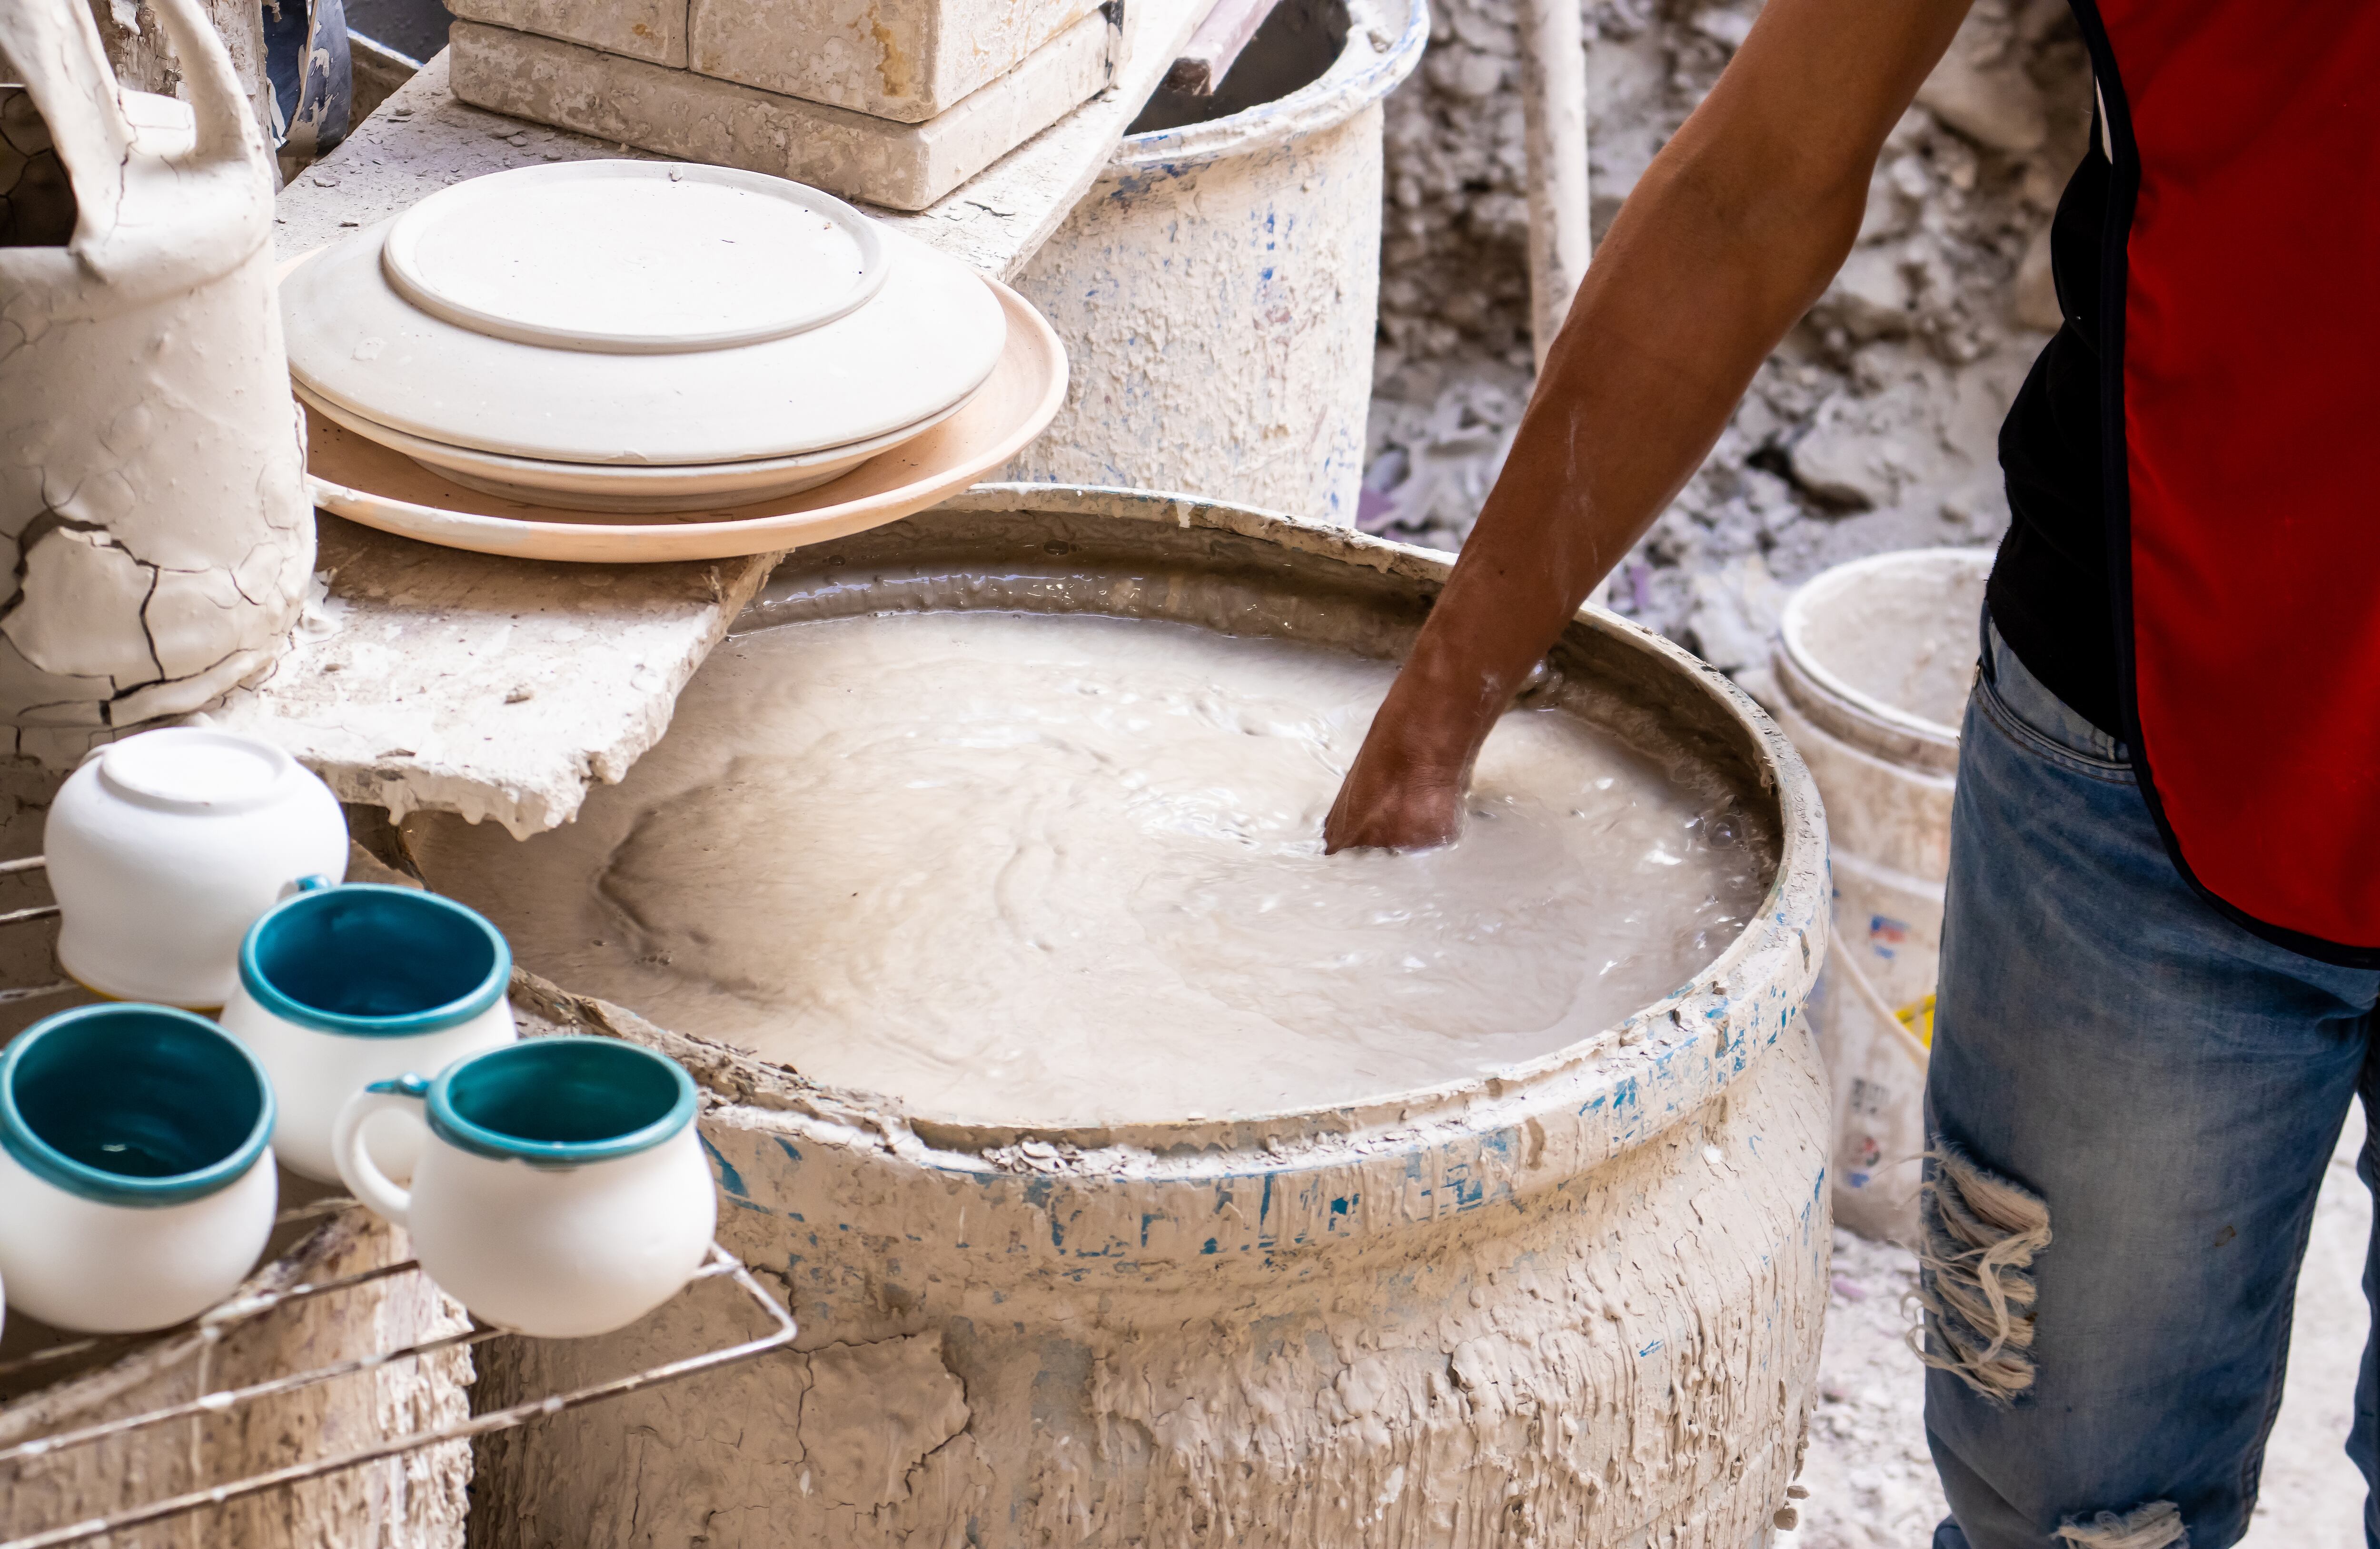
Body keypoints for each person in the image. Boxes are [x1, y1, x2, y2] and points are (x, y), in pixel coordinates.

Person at [1323, 0, 2380, 1543]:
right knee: (2071, 1512)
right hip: (2150, 748)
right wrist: (1431, 729)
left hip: (2178, 740)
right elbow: (1755, 185)